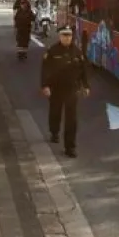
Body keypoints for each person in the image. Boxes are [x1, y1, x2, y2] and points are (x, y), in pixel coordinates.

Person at [40, 25, 89, 158]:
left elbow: (83, 70)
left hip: (72, 89)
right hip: (56, 88)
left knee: (71, 120)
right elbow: (45, 70)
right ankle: (54, 132)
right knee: (55, 112)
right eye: (64, 35)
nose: (67, 38)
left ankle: (70, 147)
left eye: (69, 35)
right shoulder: (52, 51)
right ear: (60, 36)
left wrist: (85, 86)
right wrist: (45, 86)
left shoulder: (77, 52)